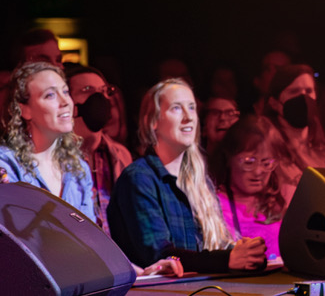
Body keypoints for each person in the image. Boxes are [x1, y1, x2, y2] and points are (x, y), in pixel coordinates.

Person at [110, 78, 267, 272]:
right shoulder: (139, 179)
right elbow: (159, 255)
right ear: (153, 122)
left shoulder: (200, 180)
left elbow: (216, 245)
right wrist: (225, 260)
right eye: (176, 108)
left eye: (192, 108)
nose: (188, 117)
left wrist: (247, 254)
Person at [0, 61, 95, 220]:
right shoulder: (4, 161)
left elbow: (89, 235)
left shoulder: (78, 169)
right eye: (50, 95)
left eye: (66, 92)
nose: (65, 102)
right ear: (24, 110)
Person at [65, 64, 133, 234]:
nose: (99, 98)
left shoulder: (120, 155)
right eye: (87, 90)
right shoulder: (58, 159)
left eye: (104, 91)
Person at [208, 115, 291, 255]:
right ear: (228, 158)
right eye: (248, 162)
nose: (258, 171)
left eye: (266, 163)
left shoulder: (285, 198)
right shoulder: (212, 204)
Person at [260, 64, 325, 172]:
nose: (303, 97)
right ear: (274, 103)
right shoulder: (265, 146)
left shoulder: (322, 143)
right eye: (294, 91)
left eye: (309, 91)